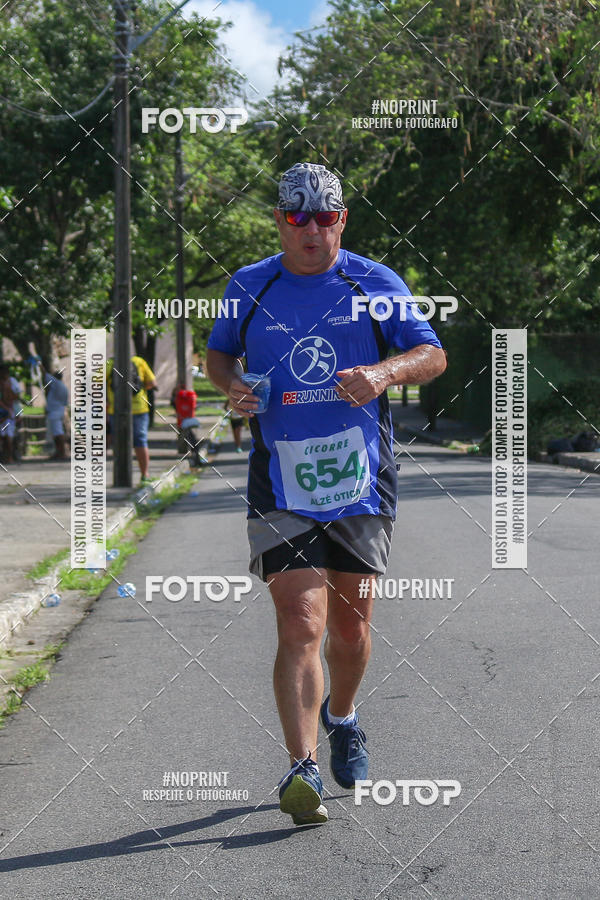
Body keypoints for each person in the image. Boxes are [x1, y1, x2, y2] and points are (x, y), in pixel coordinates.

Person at [206, 162, 447, 827]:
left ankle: (342, 715)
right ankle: (302, 766)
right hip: (280, 479)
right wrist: (231, 388)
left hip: (361, 481)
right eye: (296, 217)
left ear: (343, 217)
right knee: (300, 621)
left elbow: (433, 353)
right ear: (279, 220)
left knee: (350, 625)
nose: (311, 230)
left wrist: (382, 371)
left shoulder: (374, 283)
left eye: (325, 216)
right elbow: (219, 357)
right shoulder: (249, 287)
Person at [106, 356, 157, 485]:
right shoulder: (139, 362)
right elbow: (152, 383)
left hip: (116, 408)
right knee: (140, 441)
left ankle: (120, 476)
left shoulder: (110, 363)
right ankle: (145, 474)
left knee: (119, 441)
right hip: (139, 408)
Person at [41, 366, 69, 460]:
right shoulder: (63, 387)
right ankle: (59, 452)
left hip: (55, 412)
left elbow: (45, 373)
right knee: (56, 433)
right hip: (59, 411)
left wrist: (39, 363)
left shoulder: (56, 384)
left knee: (58, 433)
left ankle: (62, 453)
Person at [0, 364, 18, 463]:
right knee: (6, 435)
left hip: (7, 411)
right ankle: (8, 456)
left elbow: (13, 397)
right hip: (7, 411)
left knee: (8, 435)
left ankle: (9, 457)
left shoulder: (9, 383)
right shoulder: (8, 383)